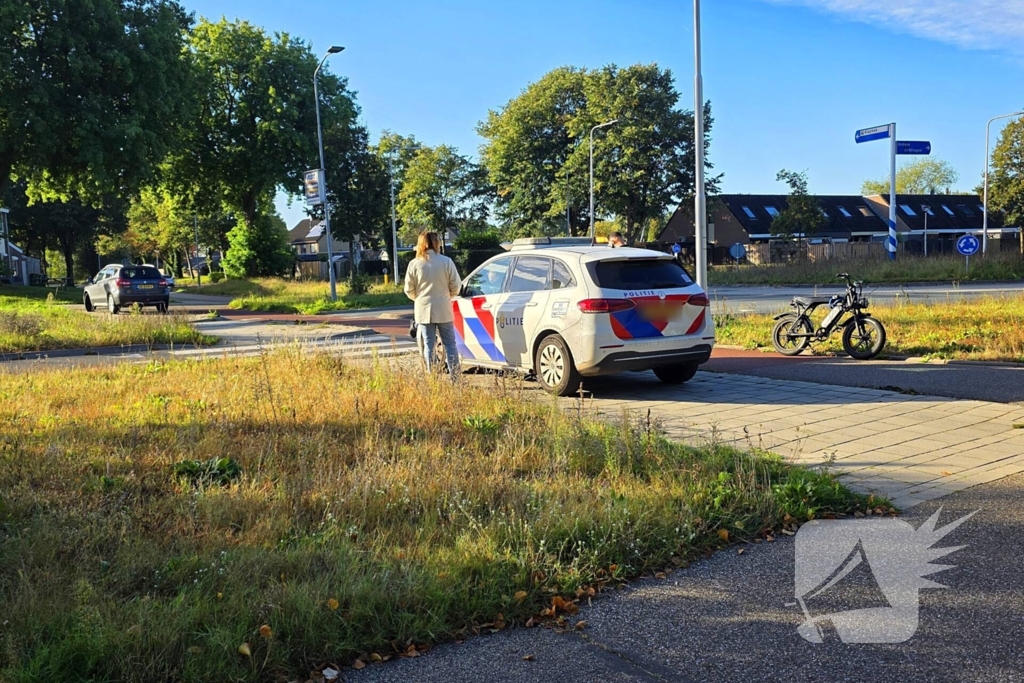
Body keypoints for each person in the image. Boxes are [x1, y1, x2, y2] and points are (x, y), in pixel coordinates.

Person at [404, 231, 462, 375]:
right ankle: (455, 378)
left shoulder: (414, 264)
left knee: (429, 345)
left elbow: (408, 289)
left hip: (423, 309)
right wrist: (448, 295)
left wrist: (418, 298)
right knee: (450, 344)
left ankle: (433, 378)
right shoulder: (446, 261)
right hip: (443, 308)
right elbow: (456, 285)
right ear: (437, 243)